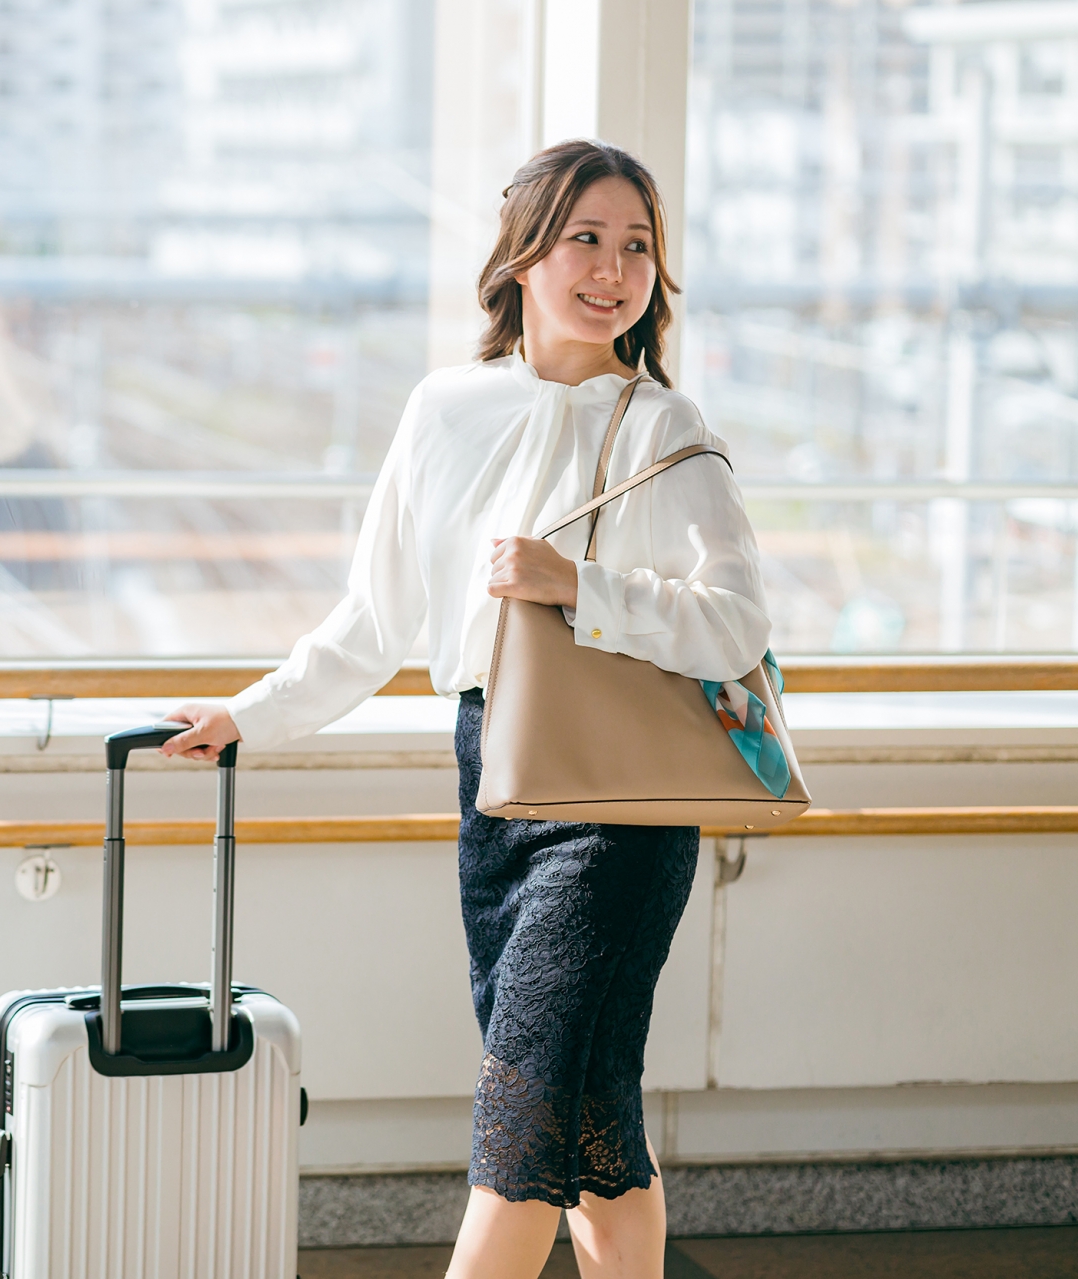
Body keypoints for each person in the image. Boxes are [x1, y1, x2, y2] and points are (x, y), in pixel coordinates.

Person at [160, 139, 769, 1279]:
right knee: (591, 1132)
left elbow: (734, 624)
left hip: (621, 813)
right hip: (492, 781)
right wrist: (252, 712)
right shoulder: (445, 411)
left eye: (637, 245)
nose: (613, 267)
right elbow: (373, 619)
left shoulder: (666, 431)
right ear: (524, 256)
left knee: (518, 1120)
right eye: (586, 237)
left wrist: (576, 586)